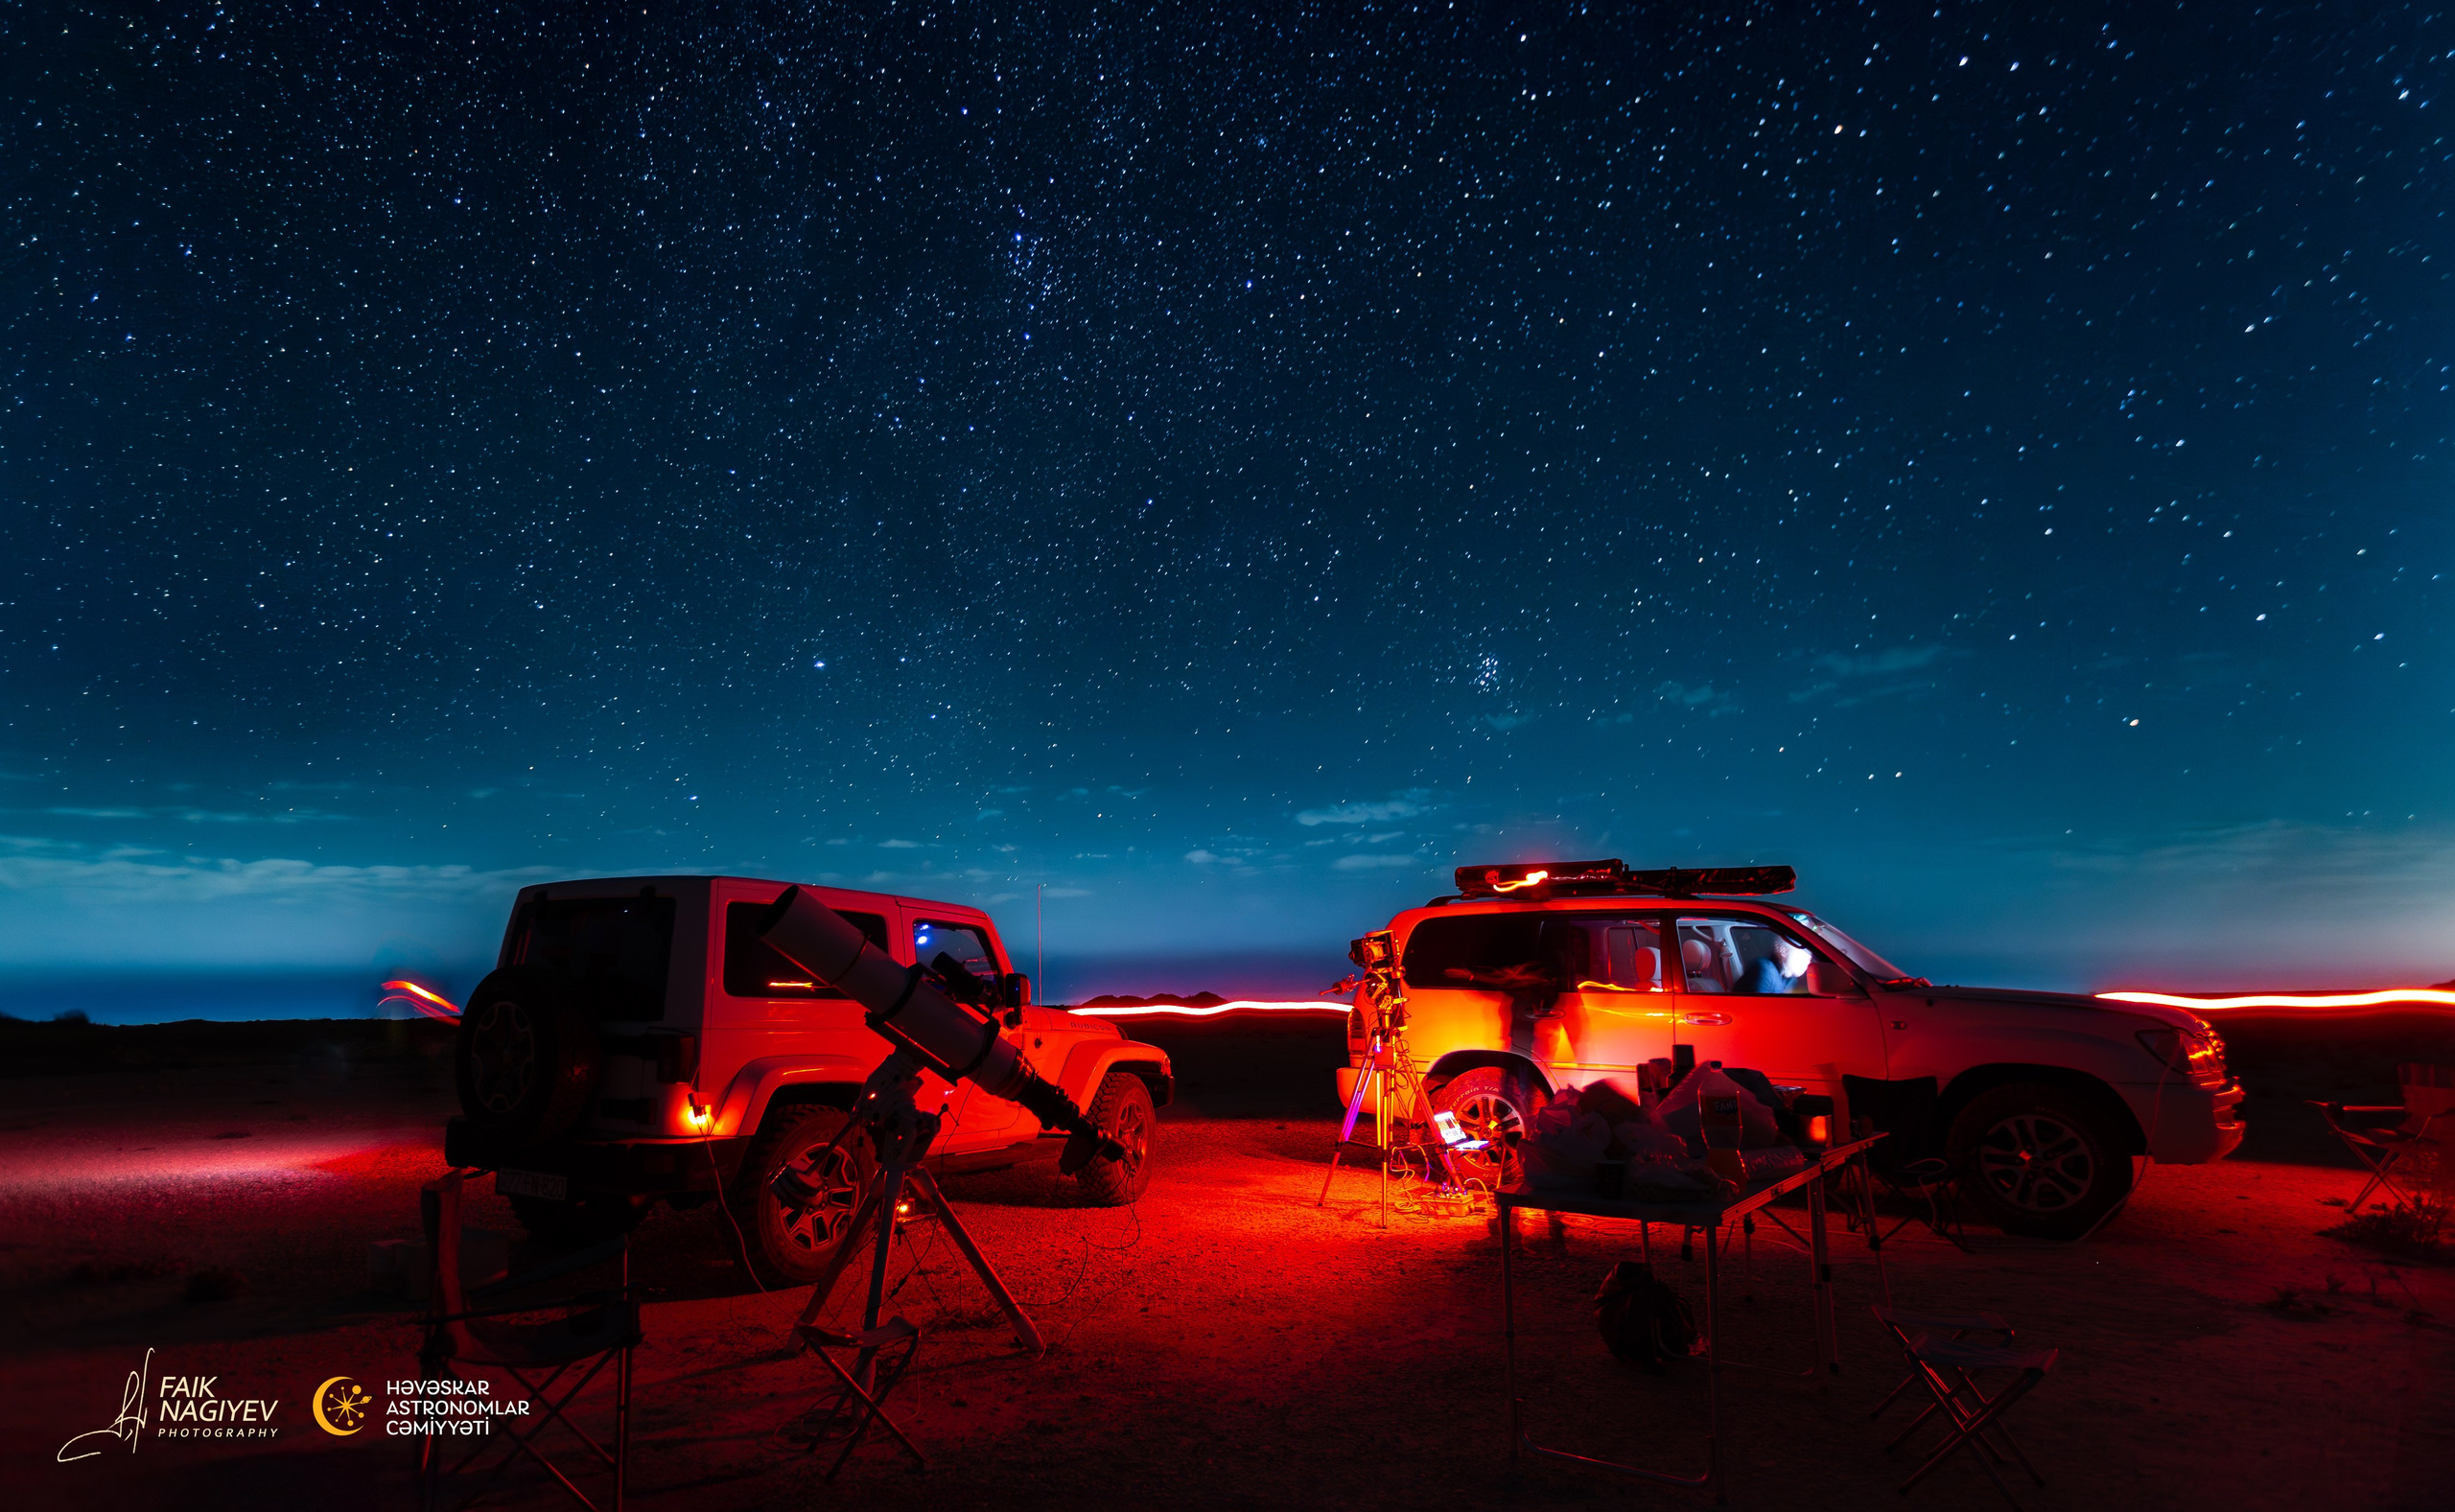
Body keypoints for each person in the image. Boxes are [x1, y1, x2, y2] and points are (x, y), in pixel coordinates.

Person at [1742, 935, 1814, 994]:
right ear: (1783, 951)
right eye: (1803, 955)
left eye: (1809, 958)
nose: (1808, 962)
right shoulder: (1764, 971)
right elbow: (1759, 1009)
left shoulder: (1790, 979)